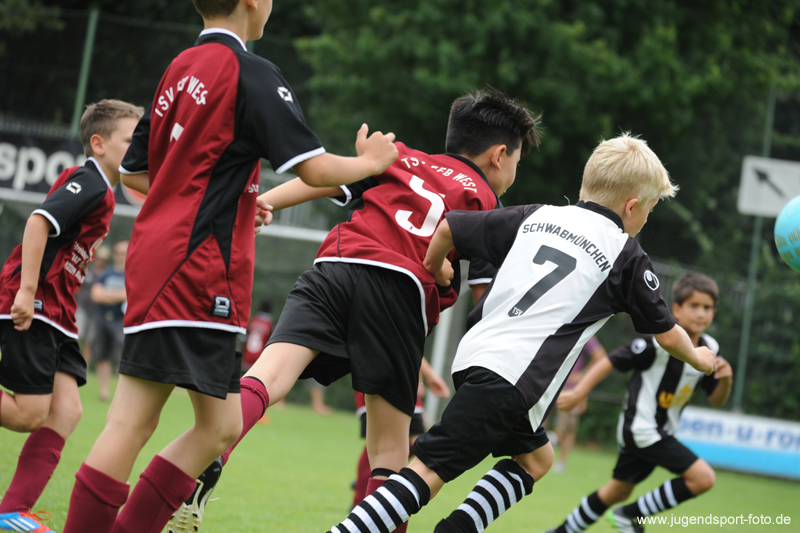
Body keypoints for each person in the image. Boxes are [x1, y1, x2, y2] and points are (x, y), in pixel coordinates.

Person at [61, 0, 398, 531]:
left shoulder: (178, 68)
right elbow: (314, 169)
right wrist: (371, 162)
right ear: (252, 2)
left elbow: (135, 172)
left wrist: (231, 195)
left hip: (154, 257)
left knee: (192, 425)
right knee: (172, 427)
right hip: (200, 268)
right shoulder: (250, 72)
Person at [181, 86, 542, 533]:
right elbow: (486, 302)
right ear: (500, 155)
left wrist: (264, 202)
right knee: (390, 451)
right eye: (518, 162)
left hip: (336, 264)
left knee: (267, 377)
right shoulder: (488, 204)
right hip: (401, 290)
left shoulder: (400, 156)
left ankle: (210, 455)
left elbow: (326, 179)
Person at [327, 133, 718, 533]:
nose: (646, 219)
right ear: (632, 206)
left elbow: (448, 228)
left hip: (475, 358)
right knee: (428, 470)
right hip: (513, 378)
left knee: (536, 459)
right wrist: (701, 358)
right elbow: (669, 336)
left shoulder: (537, 215)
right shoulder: (626, 254)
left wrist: (435, 264)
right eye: (649, 210)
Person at [0, 99, 142, 532]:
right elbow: (38, 222)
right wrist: (27, 291)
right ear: (98, 144)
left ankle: (11, 512)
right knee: (28, 414)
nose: (139, 148)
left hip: (60, 315)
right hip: (37, 305)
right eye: (131, 140)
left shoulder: (106, 189)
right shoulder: (90, 181)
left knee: (66, 412)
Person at [546, 273, 733, 533]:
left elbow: (717, 400)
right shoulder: (658, 344)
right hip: (642, 429)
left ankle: (561, 531)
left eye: (708, 307)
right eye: (694, 305)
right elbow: (610, 360)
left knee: (617, 492)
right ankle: (629, 515)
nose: (701, 313)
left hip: (660, 432)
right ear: (677, 309)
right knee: (703, 478)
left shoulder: (710, 348)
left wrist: (726, 380)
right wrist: (579, 392)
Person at [352, 358, 451, 507]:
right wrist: (428, 375)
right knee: (383, 446)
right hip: (381, 380)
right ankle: (364, 494)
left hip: (405, 381)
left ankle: (368, 485)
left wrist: (424, 376)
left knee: (410, 446)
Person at [552, 335, 606, 472]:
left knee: (568, 428)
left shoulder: (585, 332)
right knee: (547, 426)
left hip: (569, 389)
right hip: (549, 384)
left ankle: (560, 463)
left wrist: (583, 375)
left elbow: (600, 356)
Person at [90, 240, 128, 402]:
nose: (121, 256)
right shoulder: (106, 273)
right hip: (102, 319)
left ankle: (122, 395)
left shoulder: (131, 274)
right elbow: (96, 295)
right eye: (118, 253)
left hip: (121, 321)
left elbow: (129, 295)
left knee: (122, 358)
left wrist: (108, 293)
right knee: (102, 356)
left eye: (124, 253)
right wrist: (118, 295)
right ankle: (104, 393)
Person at [75, 244, 110, 363]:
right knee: (77, 336)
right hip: (82, 307)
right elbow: (77, 288)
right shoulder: (87, 270)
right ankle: (71, 362)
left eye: (104, 259)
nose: (101, 261)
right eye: (100, 258)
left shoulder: (106, 275)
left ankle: (84, 366)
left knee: (89, 342)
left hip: (97, 311)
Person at [242, 298, 273, 372]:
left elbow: (244, 339)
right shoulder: (270, 324)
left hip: (248, 356)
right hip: (260, 358)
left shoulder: (252, 321)